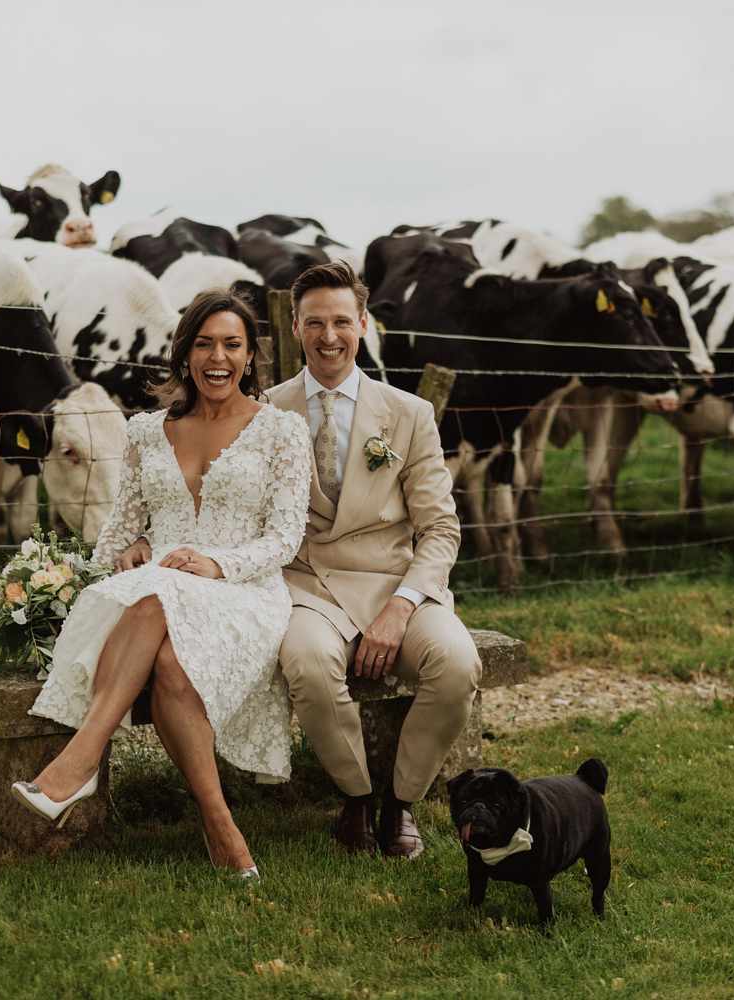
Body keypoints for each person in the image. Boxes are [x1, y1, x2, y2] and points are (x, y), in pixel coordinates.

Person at [17, 290, 311, 879]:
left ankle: (80, 761)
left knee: (157, 596)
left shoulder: (282, 432)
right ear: (184, 354)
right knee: (170, 653)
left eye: (232, 345)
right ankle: (219, 823)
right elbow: (112, 539)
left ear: (251, 357)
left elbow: (284, 539)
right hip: (160, 591)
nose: (217, 357)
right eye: (204, 344)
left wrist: (217, 564)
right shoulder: (148, 432)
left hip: (243, 591)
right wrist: (129, 548)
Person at [268, 261, 481, 860]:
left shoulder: (408, 414)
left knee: (457, 664)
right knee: (308, 665)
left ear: (363, 324)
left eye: (341, 321)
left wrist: (402, 605)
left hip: (396, 583)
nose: (329, 336)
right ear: (295, 326)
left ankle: (401, 801)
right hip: (308, 585)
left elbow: (440, 527)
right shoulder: (264, 409)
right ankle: (356, 799)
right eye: (315, 323)